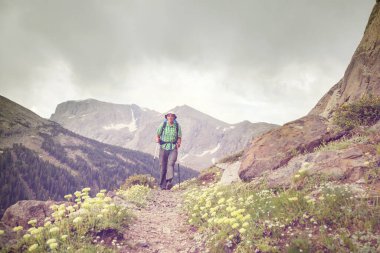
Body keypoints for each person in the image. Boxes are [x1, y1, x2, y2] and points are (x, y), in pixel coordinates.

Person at [155, 112, 182, 190]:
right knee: (162, 166)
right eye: (169, 116)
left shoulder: (177, 126)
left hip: (173, 147)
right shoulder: (163, 125)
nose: (170, 117)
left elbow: (179, 137)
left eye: (172, 116)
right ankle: (162, 185)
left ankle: (168, 182)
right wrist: (157, 139)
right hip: (163, 147)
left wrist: (179, 143)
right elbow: (157, 134)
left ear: (174, 117)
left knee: (171, 164)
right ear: (166, 117)